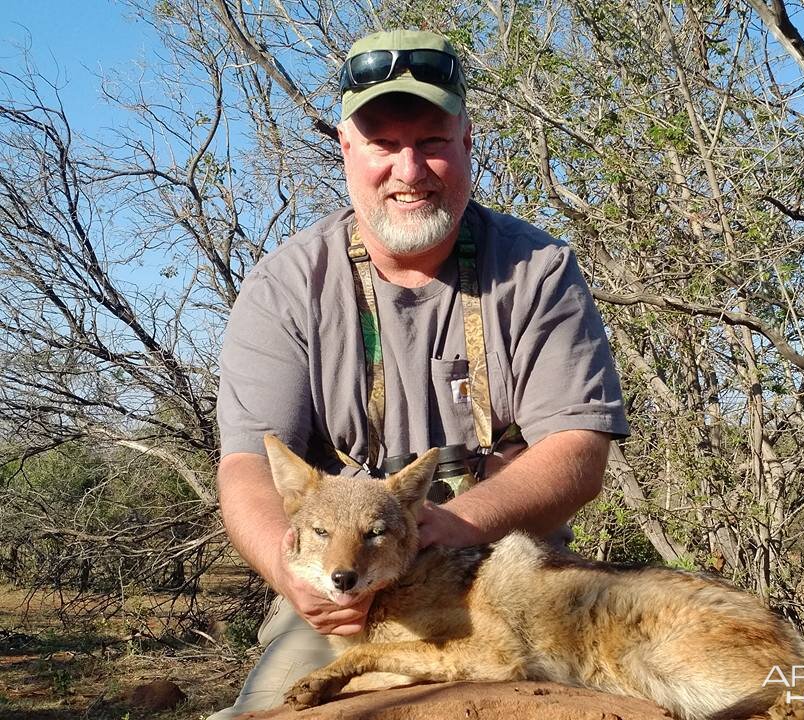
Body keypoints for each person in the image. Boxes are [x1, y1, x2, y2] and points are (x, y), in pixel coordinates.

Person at [209, 28, 629, 718]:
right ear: (347, 150)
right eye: (383, 144)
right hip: (351, 594)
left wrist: (447, 527)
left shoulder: (540, 271)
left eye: (432, 141)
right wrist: (291, 570)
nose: (409, 170)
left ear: (467, 143)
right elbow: (250, 465)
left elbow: (578, 453)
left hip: (508, 578)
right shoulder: (284, 286)